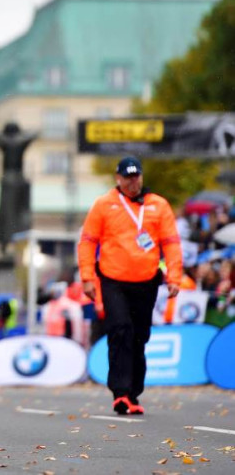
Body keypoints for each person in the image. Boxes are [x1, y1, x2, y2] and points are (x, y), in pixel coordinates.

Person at [78, 156, 182, 416]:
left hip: (147, 279)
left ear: (142, 177)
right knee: (120, 329)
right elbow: (88, 242)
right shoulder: (104, 205)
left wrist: (174, 277)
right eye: (127, 177)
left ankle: (133, 393)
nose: (132, 182)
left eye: (136, 177)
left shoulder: (159, 205)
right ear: (118, 178)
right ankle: (120, 392)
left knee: (139, 336)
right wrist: (88, 278)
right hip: (113, 279)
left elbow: (171, 243)